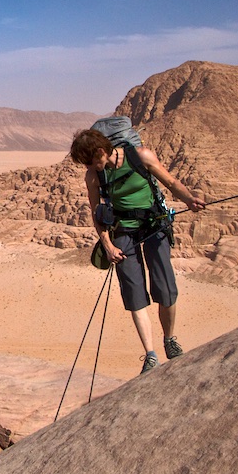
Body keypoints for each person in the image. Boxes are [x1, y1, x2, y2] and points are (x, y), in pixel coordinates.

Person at [70, 127, 207, 374]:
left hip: (154, 224)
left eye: (91, 161)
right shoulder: (93, 176)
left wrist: (189, 199)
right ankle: (151, 354)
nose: (90, 167)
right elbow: (96, 213)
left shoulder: (141, 156)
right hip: (123, 231)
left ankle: (170, 339)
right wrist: (108, 245)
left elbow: (171, 182)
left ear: (101, 151)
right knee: (134, 293)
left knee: (164, 286)